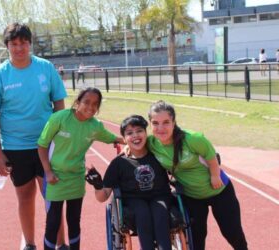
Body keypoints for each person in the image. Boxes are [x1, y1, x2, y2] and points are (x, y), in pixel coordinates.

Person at [0, 23, 68, 250]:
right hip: (15, 147)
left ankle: (60, 244)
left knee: (53, 197)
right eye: (14, 44)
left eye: (23, 43)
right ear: (7, 46)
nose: (19, 48)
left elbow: (59, 102)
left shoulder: (46, 68)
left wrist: (60, 137)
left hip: (46, 145)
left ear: (30, 43)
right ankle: (29, 244)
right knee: (25, 198)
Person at [146, 100, 248, 250]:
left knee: (232, 232)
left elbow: (210, 155)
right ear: (150, 124)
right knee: (196, 239)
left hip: (219, 190)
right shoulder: (152, 143)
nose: (160, 128)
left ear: (174, 122)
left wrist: (215, 175)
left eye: (166, 122)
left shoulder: (193, 139)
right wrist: (127, 148)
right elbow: (134, 143)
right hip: (191, 196)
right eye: (155, 123)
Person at [38, 87, 124, 250]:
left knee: (74, 220)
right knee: (53, 221)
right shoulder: (59, 118)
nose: (90, 107)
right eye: (86, 102)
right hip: (55, 178)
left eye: (95, 104)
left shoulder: (95, 126)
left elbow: (112, 138)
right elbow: (42, 145)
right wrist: (48, 171)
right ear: (78, 102)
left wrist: (131, 141)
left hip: (76, 178)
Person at [86, 115, 172, 250]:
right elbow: (103, 197)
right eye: (130, 133)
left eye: (139, 131)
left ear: (146, 133)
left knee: (160, 211)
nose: (135, 136)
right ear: (124, 139)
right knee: (141, 211)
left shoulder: (158, 155)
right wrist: (97, 184)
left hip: (160, 197)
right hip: (134, 200)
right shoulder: (119, 163)